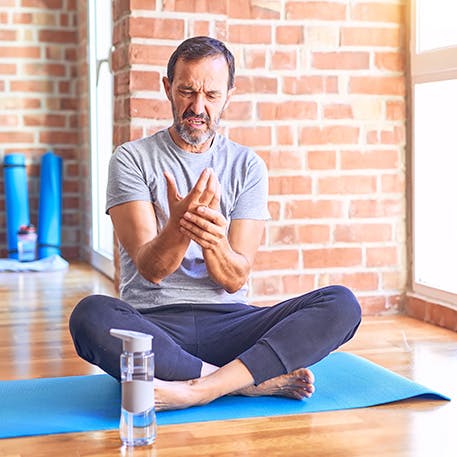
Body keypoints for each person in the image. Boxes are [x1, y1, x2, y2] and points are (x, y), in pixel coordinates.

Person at [69, 36, 361, 411]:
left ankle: (200, 388)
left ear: (229, 96)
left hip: (231, 325)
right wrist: (178, 226)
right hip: (155, 325)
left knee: (341, 304)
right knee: (89, 315)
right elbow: (150, 269)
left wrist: (213, 241)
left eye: (211, 95)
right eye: (187, 91)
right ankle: (245, 383)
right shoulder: (131, 159)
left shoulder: (247, 166)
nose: (198, 106)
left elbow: (235, 278)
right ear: (167, 88)